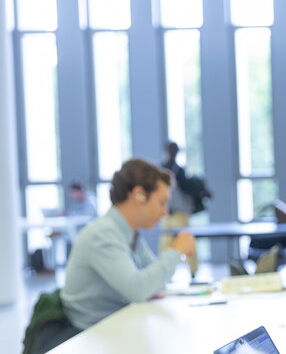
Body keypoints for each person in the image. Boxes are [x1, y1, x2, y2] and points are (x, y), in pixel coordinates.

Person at [61, 159, 196, 330]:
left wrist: (151, 283)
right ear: (138, 195)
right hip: (88, 333)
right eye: (162, 202)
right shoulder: (103, 234)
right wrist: (177, 250)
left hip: (114, 323)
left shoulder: (128, 231)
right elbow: (138, 289)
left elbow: (156, 281)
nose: (165, 212)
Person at [160, 141, 210, 276]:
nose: (172, 153)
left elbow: (189, 188)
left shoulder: (178, 171)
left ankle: (193, 270)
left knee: (187, 242)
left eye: (174, 150)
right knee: (166, 244)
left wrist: (202, 192)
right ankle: (164, 272)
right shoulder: (160, 170)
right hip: (166, 214)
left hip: (180, 214)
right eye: (170, 150)